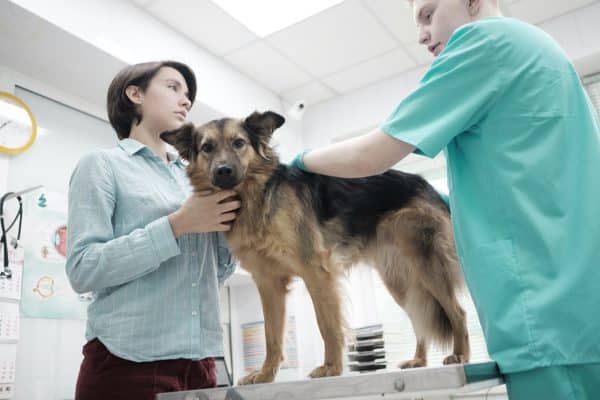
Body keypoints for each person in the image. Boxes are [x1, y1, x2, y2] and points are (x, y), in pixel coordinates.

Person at [291, 0, 600, 398]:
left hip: (547, 318)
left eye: (429, 14)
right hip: (580, 302)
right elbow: (519, 180)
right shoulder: (537, 46)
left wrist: (295, 161)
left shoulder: (480, 44)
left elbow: (370, 155)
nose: (421, 34)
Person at [66, 61, 241, 400]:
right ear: (135, 94)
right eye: (174, 87)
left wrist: (230, 235)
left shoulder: (197, 176)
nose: (186, 101)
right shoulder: (102, 165)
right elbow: (82, 269)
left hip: (203, 365)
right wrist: (177, 225)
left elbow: (215, 273)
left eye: (188, 95)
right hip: (127, 364)